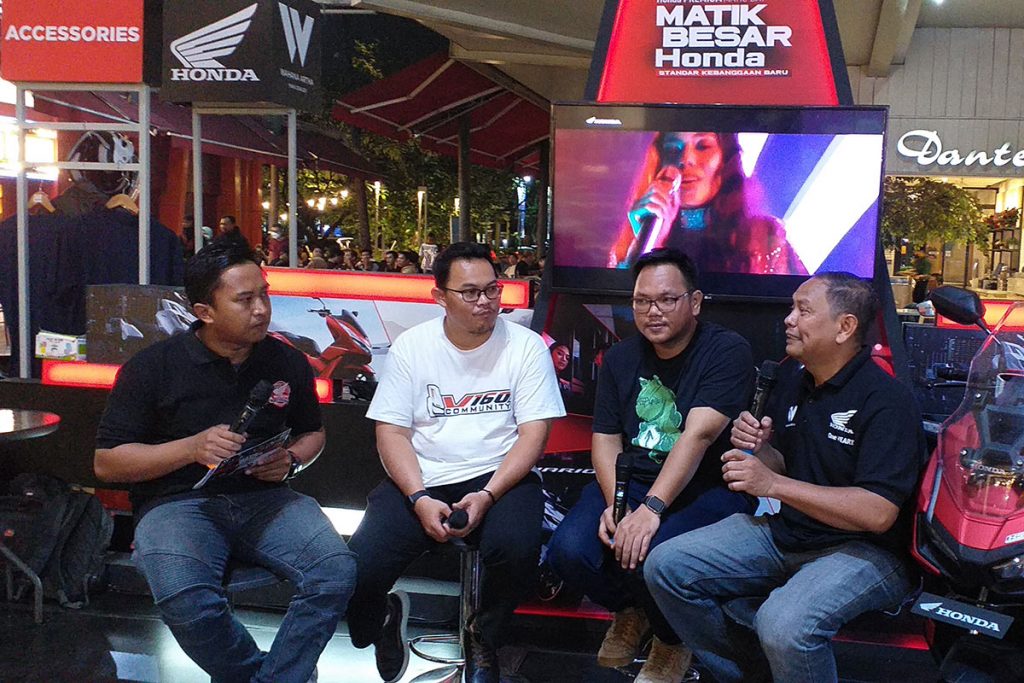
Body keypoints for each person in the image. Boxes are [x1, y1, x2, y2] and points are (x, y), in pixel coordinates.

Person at [93, 236, 356, 683]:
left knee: (335, 571)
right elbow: (107, 463)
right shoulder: (152, 367)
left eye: (264, 294)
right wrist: (191, 448)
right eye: (245, 300)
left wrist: (291, 460)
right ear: (205, 311)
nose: (261, 309)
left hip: (266, 499)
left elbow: (313, 432)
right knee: (186, 598)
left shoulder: (287, 361)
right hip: (177, 504)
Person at [645, 272, 926, 683]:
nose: (789, 319)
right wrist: (761, 451)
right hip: (790, 534)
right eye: (792, 308)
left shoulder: (887, 400)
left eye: (803, 310)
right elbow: (786, 467)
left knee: (783, 626)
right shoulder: (796, 381)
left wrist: (772, 484)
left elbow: (878, 513)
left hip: (868, 552)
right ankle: (751, 675)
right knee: (665, 566)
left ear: (845, 327)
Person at [345, 242, 565, 683]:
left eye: (492, 289)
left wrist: (488, 495)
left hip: (501, 476)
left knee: (518, 549)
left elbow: (533, 435)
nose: (485, 301)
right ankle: (381, 620)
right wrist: (418, 497)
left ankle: (484, 635)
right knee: (356, 568)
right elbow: (391, 432)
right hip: (424, 477)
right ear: (439, 297)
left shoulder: (526, 347)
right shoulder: (413, 347)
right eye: (470, 292)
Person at [546, 248, 755, 683]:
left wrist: (650, 510)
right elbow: (606, 437)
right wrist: (616, 503)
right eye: (642, 301)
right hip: (632, 482)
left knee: (654, 555)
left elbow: (698, 436)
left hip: (705, 487)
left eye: (666, 300)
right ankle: (633, 611)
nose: (652, 311)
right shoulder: (621, 357)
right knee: (568, 551)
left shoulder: (726, 350)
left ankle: (672, 638)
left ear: (694, 302)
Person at [610, 132, 806, 276]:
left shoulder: (765, 235)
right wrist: (647, 245)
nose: (686, 160)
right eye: (673, 149)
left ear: (725, 159)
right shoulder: (637, 234)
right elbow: (624, 309)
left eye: (703, 146)